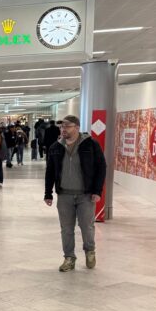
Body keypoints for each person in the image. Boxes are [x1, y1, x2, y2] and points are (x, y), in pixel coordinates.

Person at [45, 115, 106, 273]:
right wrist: (48, 193)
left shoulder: (90, 144)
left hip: (85, 195)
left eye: (67, 126)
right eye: (62, 127)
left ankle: (90, 251)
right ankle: (69, 258)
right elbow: (50, 171)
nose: (63, 129)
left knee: (87, 226)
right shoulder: (55, 147)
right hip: (64, 195)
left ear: (77, 127)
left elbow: (101, 167)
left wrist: (97, 191)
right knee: (66, 229)